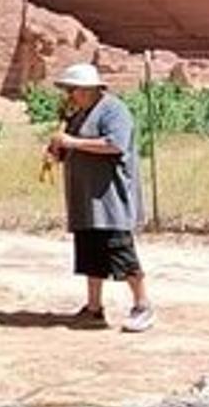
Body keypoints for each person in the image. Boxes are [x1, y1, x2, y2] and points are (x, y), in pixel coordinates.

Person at [46, 63, 155, 332]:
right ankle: (94, 308)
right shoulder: (79, 115)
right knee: (90, 254)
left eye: (72, 90)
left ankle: (142, 305)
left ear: (87, 89)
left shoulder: (114, 110)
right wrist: (57, 151)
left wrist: (71, 142)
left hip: (110, 199)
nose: (69, 95)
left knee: (120, 252)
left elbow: (115, 144)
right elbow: (71, 146)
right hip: (86, 200)